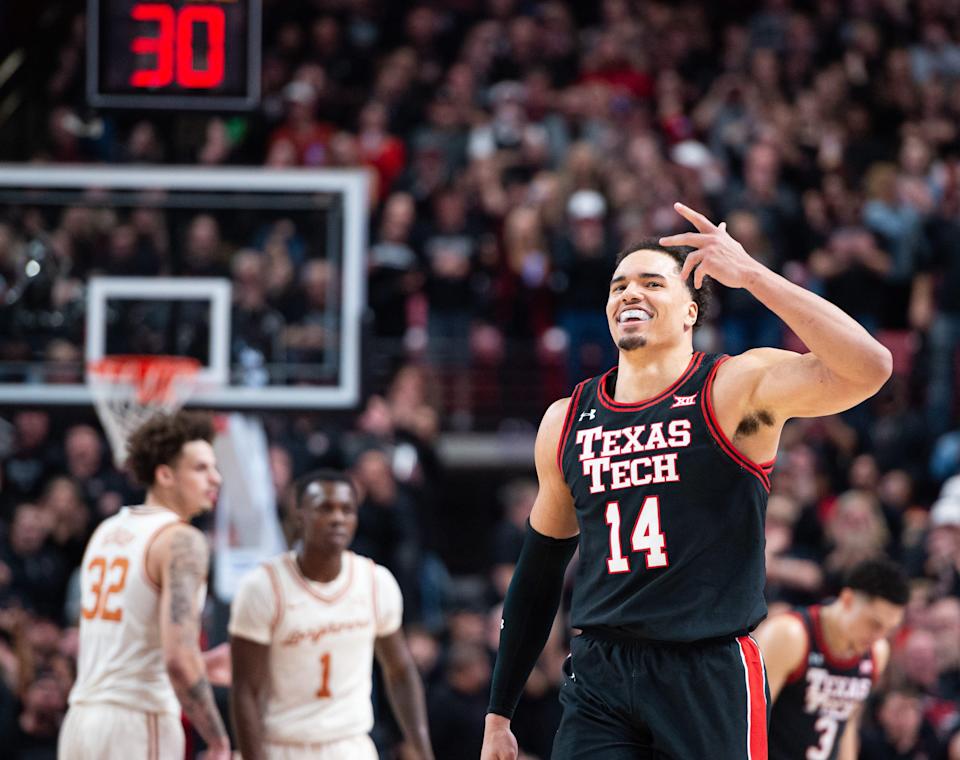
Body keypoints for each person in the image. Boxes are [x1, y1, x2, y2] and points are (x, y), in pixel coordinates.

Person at [481, 203, 894, 760]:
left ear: (689, 312)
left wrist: (752, 275)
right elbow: (538, 571)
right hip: (602, 673)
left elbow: (869, 367)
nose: (631, 293)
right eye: (619, 285)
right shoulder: (566, 418)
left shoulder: (732, 388)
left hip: (708, 669)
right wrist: (498, 713)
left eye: (653, 282)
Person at [59, 411, 231, 760]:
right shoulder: (182, 540)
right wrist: (217, 739)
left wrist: (199, 662)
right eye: (201, 469)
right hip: (136, 723)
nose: (216, 479)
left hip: (80, 721)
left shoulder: (107, 530)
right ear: (165, 474)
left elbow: (127, 642)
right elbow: (178, 660)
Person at [229, 469, 434, 760]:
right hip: (282, 744)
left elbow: (400, 671)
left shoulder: (376, 582)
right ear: (300, 516)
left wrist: (422, 749)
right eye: (325, 508)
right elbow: (244, 690)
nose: (338, 518)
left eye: (346, 510)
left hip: (351, 744)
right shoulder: (262, 587)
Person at [755, 558, 909, 760]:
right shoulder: (790, 635)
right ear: (847, 599)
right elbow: (750, 719)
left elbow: (847, 725)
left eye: (888, 629)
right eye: (874, 624)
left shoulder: (877, 652)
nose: (878, 636)